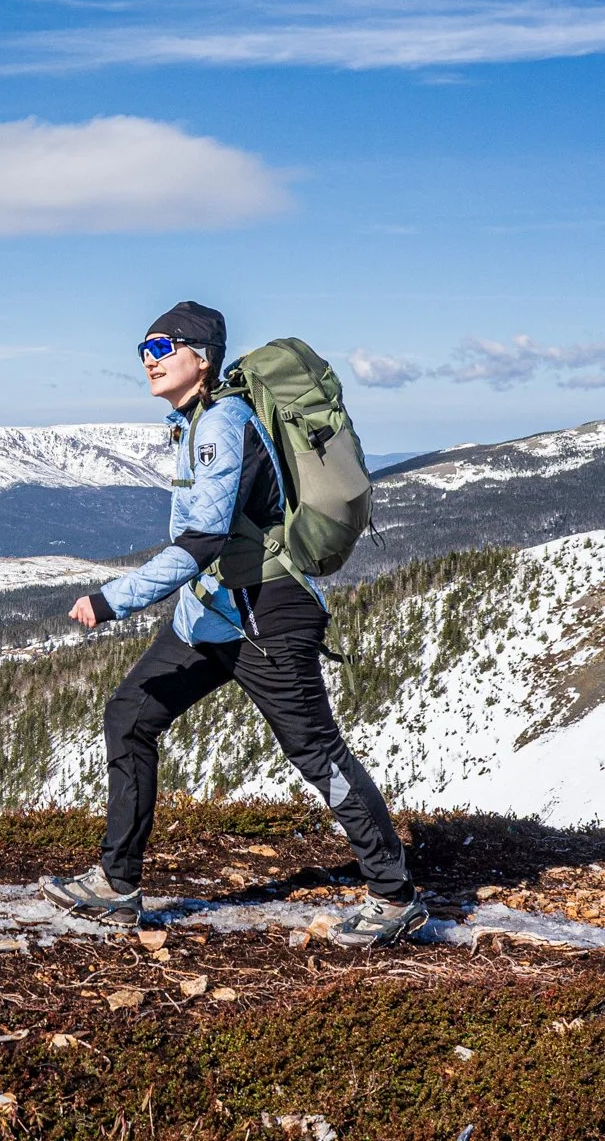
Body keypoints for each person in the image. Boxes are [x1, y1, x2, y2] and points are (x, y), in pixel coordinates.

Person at [41, 299, 427, 948]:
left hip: (267, 614)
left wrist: (112, 599)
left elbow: (201, 542)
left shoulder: (223, 422)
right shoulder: (192, 424)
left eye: (162, 347)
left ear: (201, 356)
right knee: (129, 715)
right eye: (143, 348)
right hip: (210, 614)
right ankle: (116, 886)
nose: (147, 359)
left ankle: (393, 897)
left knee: (314, 750)